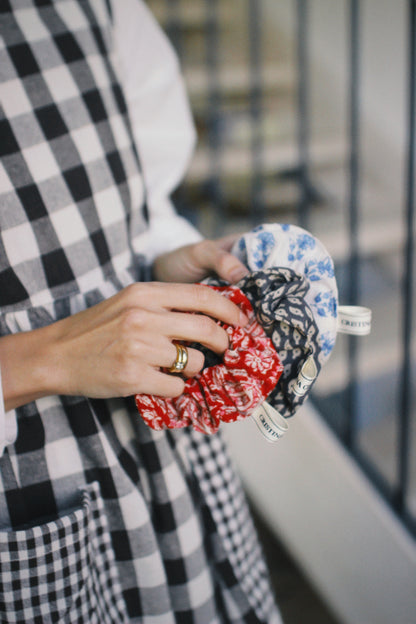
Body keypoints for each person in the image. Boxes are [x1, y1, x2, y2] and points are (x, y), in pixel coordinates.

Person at [0, 1, 282, 622]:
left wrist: (165, 261)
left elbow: (137, 205)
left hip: (160, 455)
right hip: (24, 490)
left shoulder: (96, 6)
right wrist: (34, 361)